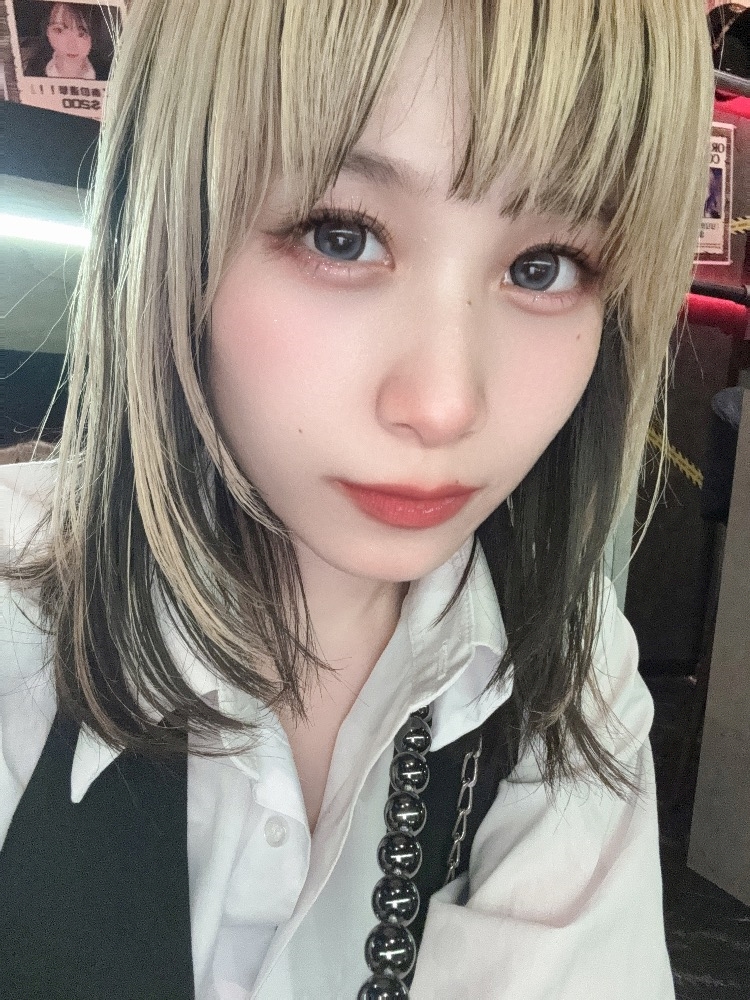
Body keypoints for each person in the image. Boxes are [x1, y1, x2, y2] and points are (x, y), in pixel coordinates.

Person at [0, 2, 713, 998]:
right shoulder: (18, 624)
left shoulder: (570, 674)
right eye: (341, 237)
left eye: (543, 267)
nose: (444, 403)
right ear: (173, 225)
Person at [21, 2, 113, 81]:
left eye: (81, 34)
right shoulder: (34, 69)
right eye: (59, 30)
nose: (71, 45)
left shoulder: (109, 74)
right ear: (47, 31)